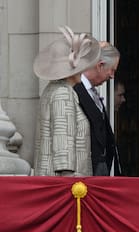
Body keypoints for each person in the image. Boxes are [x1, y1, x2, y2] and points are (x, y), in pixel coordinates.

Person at [33, 26, 100, 176]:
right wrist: (69, 181)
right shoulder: (63, 94)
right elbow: (63, 141)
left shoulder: (53, 89)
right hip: (66, 186)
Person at [73, 41, 122, 175]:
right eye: (112, 70)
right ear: (100, 66)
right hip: (84, 173)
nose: (112, 76)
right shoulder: (74, 91)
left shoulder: (92, 91)